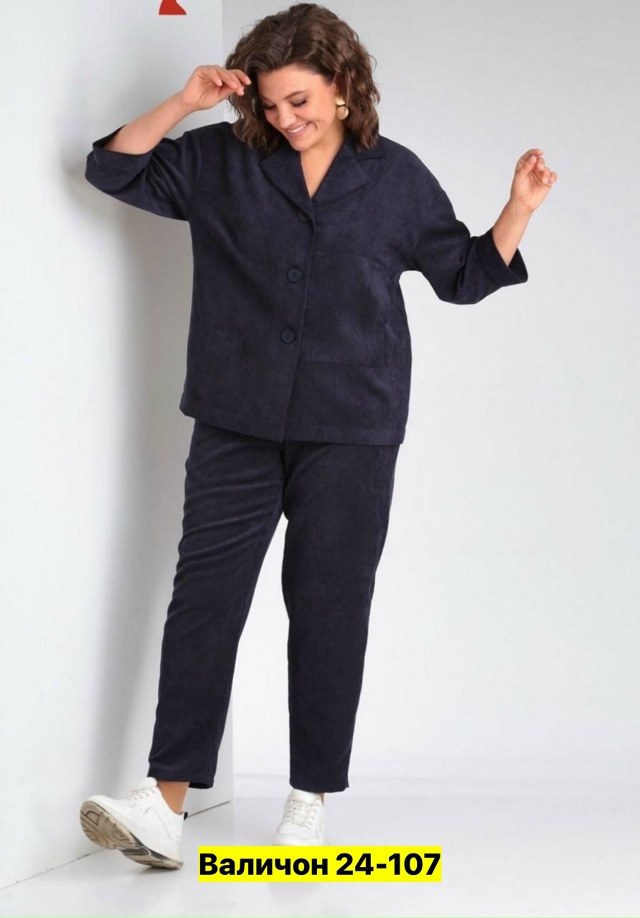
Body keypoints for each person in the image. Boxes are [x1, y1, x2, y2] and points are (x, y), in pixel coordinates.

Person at [79, 1, 557, 870]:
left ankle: (309, 799)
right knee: (205, 599)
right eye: (268, 104)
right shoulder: (221, 161)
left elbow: (463, 275)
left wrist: (517, 208)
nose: (283, 118)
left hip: (353, 426)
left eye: (298, 100)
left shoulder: (396, 178)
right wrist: (184, 102)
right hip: (234, 417)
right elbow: (112, 169)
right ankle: (163, 804)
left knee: (330, 608)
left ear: (343, 86)